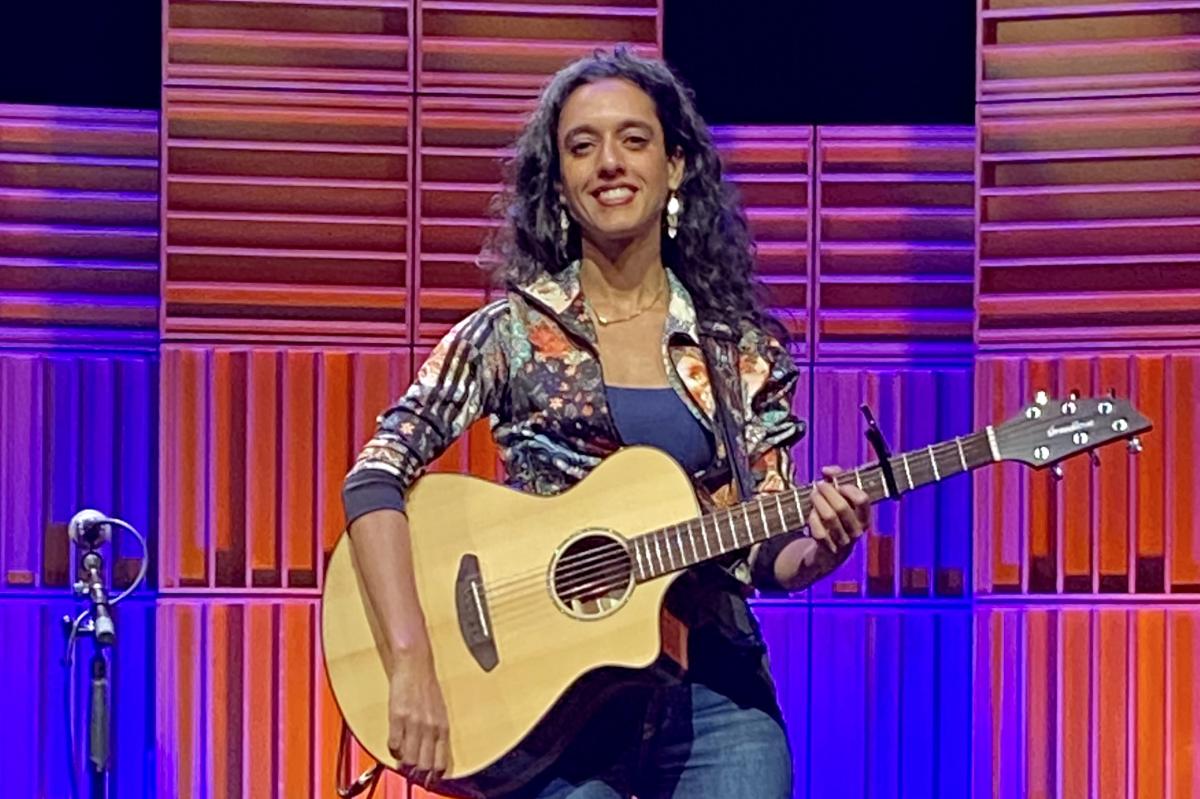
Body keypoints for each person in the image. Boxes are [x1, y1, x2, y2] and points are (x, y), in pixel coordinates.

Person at [342, 47, 871, 799]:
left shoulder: (739, 348)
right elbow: (374, 477)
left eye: (634, 139)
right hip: (547, 710)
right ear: (559, 181)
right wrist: (411, 662)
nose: (609, 163)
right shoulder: (511, 332)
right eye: (581, 146)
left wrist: (823, 544)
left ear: (676, 165)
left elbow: (765, 552)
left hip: (711, 689)